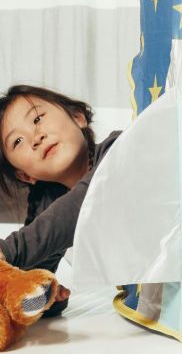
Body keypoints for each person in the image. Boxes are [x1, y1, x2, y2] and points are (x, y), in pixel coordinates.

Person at [0, 85, 121, 317]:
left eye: (37, 118)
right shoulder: (52, 206)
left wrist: (8, 249)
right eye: (17, 141)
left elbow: (87, 201)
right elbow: (29, 281)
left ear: (78, 117)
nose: (35, 137)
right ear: (26, 175)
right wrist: (42, 296)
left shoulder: (118, 150)